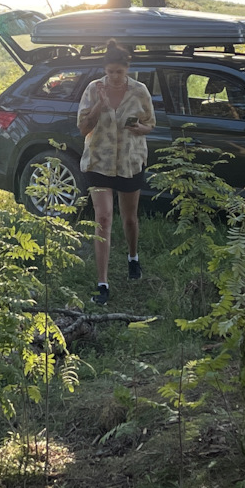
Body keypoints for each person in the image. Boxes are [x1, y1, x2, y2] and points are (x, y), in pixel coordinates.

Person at [76, 42, 156, 306]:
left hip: (129, 162)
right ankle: (102, 283)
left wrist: (138, 129)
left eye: (119, 72)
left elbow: (150, 124)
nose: (114, 76)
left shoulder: (139, 90)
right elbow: (83, 128)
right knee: (103, 217)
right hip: (99, 161)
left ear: (127, 69)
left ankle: (133, 258)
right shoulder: (93, 89)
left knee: (130, 219)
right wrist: (99, 104)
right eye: (110, 71)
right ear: (104, 69)